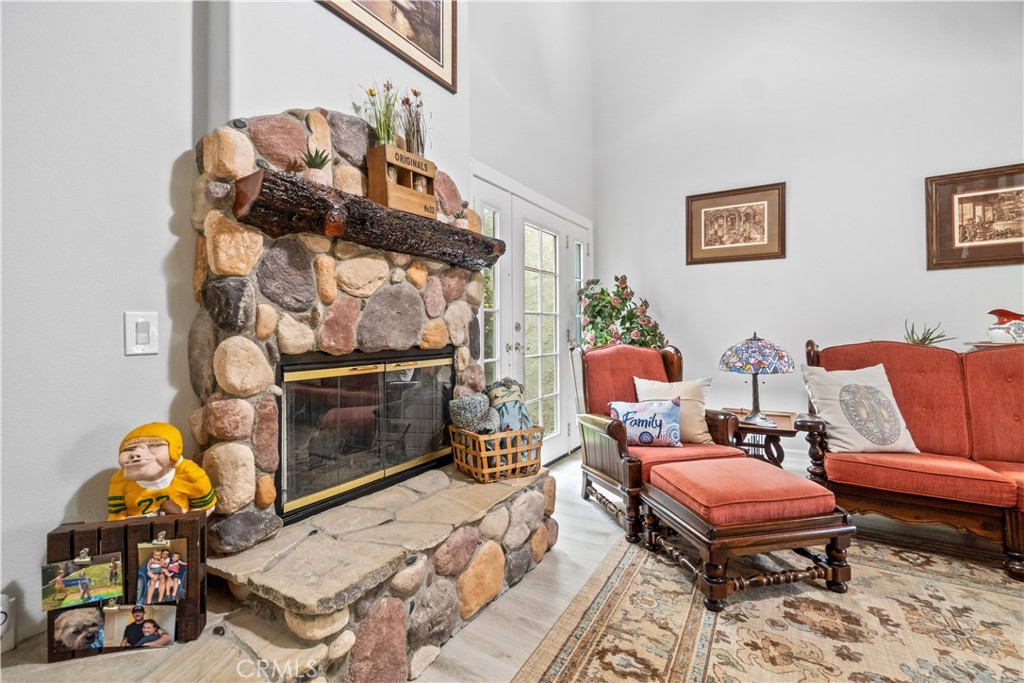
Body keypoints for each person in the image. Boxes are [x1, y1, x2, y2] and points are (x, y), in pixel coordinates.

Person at [106, 423, 217, 520]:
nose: (136, 454)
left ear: (174, 449)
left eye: (153, 445)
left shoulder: (190, 474)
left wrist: (184, 517)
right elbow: (116, 518)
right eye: (129, 449)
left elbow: (205, 507)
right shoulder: (119, 482)